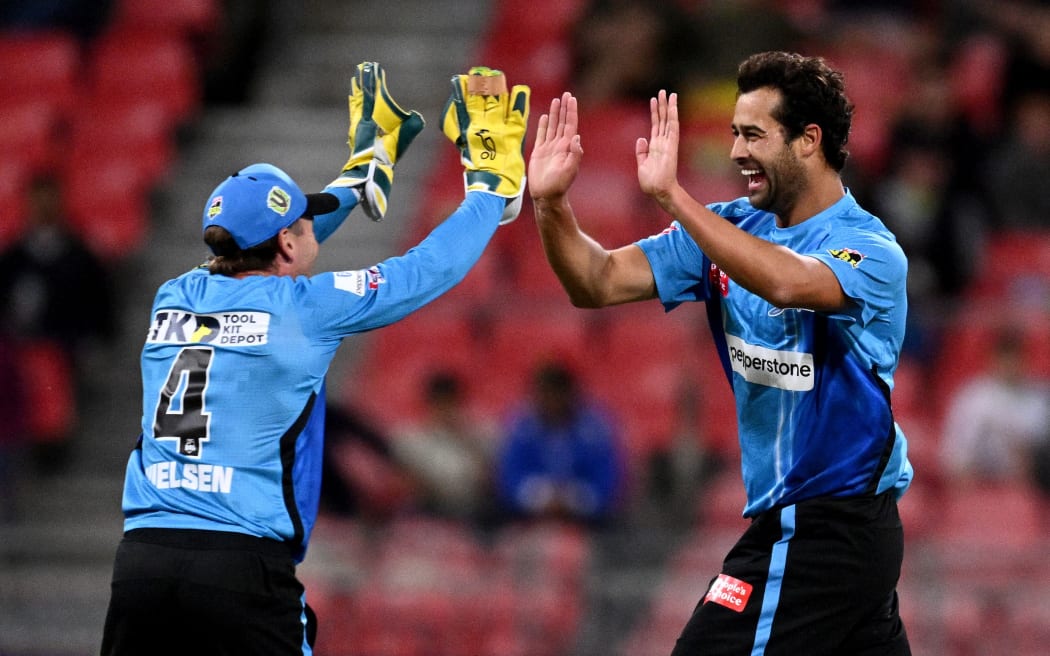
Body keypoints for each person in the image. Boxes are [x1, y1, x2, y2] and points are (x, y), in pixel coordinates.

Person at [100, 62, 530, 655]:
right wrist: (490, 192)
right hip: (240, 569)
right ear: (284, 243)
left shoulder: (174, 294)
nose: (311, 226)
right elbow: (425, 271)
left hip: (142, 564)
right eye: (303, 221)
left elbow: (265, 242)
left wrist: (358, 179)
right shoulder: (305, 308)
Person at [527, 51, 913, 655]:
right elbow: (595, 281)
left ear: (808, 140)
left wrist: (674, 198)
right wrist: (551, 205)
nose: (735, 152)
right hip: (819, 530)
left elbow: (789, 283)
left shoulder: (870, 249)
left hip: (824, 524)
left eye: (753, 134)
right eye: (734, 133)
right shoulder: (727, 229)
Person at [495, 359, 625, 526]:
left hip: (590, 521)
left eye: (554, 394)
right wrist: (543, 496)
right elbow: (509, 476)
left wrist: (573, 499)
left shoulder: (597, 428)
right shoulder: (521, 425)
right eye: (542, 394)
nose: (548, 401)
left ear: (568, 394)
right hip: (527, 518)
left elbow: (608, 479)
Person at [939, 328, 1050, 486]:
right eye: (1005, 358)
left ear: (1025, 359)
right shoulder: (972, 397)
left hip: (1029, 483)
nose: (1011, 365)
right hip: (979, 479)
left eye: (1015, 358)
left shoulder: (1040, 398)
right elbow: (955, 453)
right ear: (993, 359)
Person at [391, 369, 498, 526]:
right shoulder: (409, 439)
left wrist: (465, 437)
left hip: (477, 509)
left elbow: (490, 479)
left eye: (450, 402)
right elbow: (410, 484)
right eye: (439, 403)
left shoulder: (482, 434)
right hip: (431, 508)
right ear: (429, 403)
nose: (445, 409)